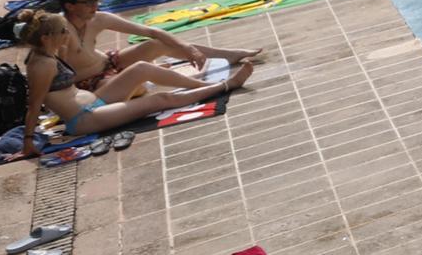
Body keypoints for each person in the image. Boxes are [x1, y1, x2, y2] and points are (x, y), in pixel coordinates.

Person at [16, 11, 253, 157]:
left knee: (141, 68)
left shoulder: (51, 52)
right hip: (85, 119)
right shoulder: (41, 65)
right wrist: (28, 142)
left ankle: (195, 85)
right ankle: (226, 86)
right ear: (46, 38)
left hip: (96, 101)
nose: (68, 34)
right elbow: (34, 105)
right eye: (62, 31)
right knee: (158, 101)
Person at [50, 0, 262, 90]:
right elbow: (48, 67)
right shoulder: (58, 30)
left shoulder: (99, 19)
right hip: (90, 82)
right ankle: (207, 87)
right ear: (69, 6)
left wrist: (186, 47)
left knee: (156, 44)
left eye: (97, 0)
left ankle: (227, 54)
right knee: (140, 87)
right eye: (89, 2)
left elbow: (150, 31)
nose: (95, 6)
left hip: (109, 62)